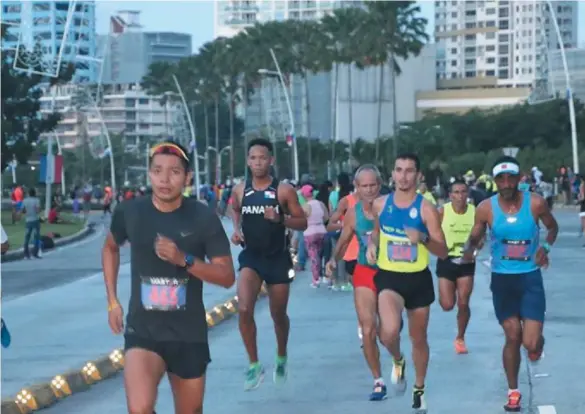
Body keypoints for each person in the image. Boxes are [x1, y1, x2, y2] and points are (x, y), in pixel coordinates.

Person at [102, 140, 235, 414]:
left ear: (187, 178)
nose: (164, 179)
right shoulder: (130, 212)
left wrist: (182, 259)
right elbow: (110, 248)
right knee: (139, 409)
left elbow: (226, 276)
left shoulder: (202, 217)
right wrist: (112, 301)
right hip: (143, 331)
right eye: (157, 170)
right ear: (149, 174)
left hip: (188, 334)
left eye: (174, 172)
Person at [462, 156, 558, 412]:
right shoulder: (486, 208)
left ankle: (538, 344)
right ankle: (513, 391)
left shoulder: (535, 203)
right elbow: (475, 235)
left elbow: (552, 227)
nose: (506, 183)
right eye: (501, 178)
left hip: (530, 278)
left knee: (530, 342)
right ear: (495, 181)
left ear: (519, 178)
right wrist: (469, 249)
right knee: (512, 335)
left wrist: (545, 248)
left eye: (510, 177)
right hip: (503, 280)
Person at [366, 153, 448, 413]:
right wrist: (371, 245)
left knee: (418, 338)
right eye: (399, 170)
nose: (403, 176)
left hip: (418, 279)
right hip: (389, 277)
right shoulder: (380, 205)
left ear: (418, 175)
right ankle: (397, 359)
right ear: (392, 173)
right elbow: (377, 234)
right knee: (388, 332)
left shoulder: (426, 209)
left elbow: (443, 251)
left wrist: (422, 238)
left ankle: (419, 388)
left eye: (409, 171)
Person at [230, 138, 307, 391]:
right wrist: (236, 229)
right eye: (253, 158)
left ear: (271, 160)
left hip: (278, 258)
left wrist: (280, 218)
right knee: (243, 309)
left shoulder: (283, 191)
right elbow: (234, 209)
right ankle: (254, 364)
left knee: (277, 314)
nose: (257, 162)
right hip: (251, 257)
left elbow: (303, 223)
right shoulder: (241, 190)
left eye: (262, 158)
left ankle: (281, 355)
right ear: (248, 161)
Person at [325, 165, 390, 401]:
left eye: (373, 185)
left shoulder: (392, 207)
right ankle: (378, 380)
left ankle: (397, 357)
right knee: (367, 329)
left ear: (379, 185)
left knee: (388, 333)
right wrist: (333, 261)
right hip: (364, 271)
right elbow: (343, 240)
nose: (369, 190)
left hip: (392, 273)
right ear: (357, 188)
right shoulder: (353, 213)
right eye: (364, 186)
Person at [436, 180, 477, 354]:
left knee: (463, 302)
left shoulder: (475, 213)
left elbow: (481, 235)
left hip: (466, 261)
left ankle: (460, 337)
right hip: (446, 259)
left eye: (463, 192)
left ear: (467, 194)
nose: (460, 196)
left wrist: (475, 248)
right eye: (456, 192)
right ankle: (448, 295)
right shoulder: (442, 212)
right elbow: (432, 231)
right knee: (447, 304)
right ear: (450, 195)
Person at [301, 184, 328, 287]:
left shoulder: (305, 206)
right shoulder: (320, 204)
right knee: (322, 254)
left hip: (310, 232)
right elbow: (326, 218)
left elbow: (303, 221)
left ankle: (316, 279)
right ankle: (324, 275)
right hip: (322, 230)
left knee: (313, 256)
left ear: (304, 195)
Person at [22, 188, 41, 259]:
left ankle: (26, 254)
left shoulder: (25, 200)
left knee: (27, 237)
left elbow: (23, 210)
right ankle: (35, 253)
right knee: (36, 237)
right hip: (35, 220)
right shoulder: (36, 200)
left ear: (28, 193)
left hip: (28, 220)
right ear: (34, 193)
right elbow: (38, 210)